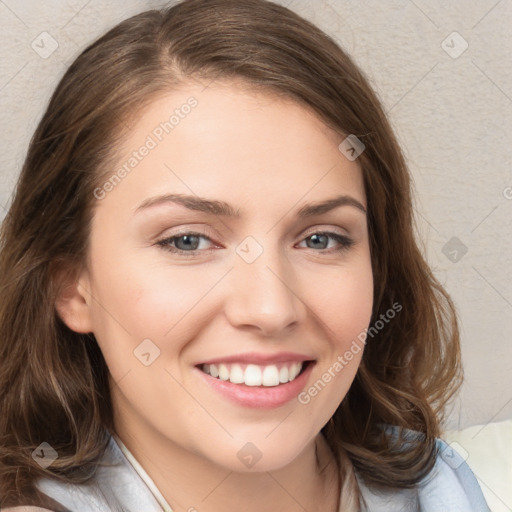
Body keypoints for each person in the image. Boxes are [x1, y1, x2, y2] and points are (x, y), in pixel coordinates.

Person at [0, 0, 491, 510]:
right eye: (187, 240)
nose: (270, 308)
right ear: (71, 285)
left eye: (320, 239)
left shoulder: (441, 487)